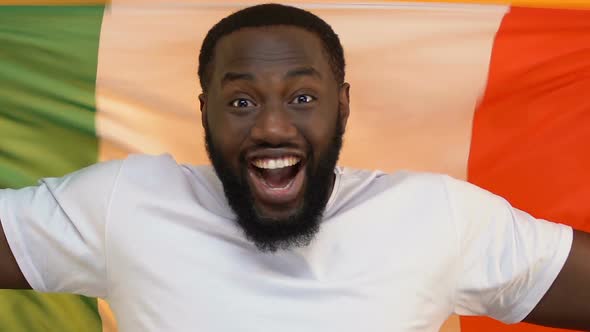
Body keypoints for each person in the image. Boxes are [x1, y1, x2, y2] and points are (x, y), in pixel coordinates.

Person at [0, 3, 589, 332]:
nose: (273, 127)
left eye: (303, 98)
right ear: (205, 113)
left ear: (344, 105)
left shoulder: (436, 217)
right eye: (242, 101)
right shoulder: (124, 204)